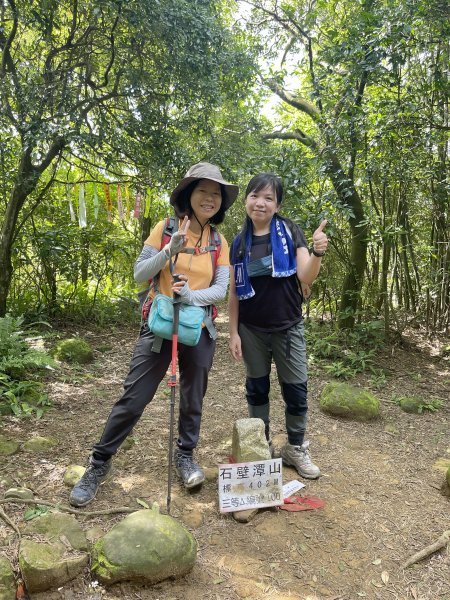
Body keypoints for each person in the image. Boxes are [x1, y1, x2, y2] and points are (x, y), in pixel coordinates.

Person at [70, 162, 238, 507]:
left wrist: (191, 296)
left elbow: (221, 289)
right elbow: (139, 273)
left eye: (216, 193)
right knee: (134, 397)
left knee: (193, 397)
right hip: (160, 324)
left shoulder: (220, 241)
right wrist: (169, 251)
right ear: (188, 194)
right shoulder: (165, 229)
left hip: (199, 326)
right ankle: (98, 464)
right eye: (203, 191)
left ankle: (185, 456)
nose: (210, 198)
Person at [228, 173, 328, 479]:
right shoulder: (239, 242)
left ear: (277, 204)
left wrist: (317, 252)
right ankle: (263, 444)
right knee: (256, 389)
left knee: (296, 390)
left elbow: (305, 277)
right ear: (246, 200)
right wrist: (232, 332)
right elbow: (234, 291)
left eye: (269, 198)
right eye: (255, 196)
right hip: (251, 329)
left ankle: (295, 447)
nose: (261, 203)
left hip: (288, 327)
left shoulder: (289, 231)